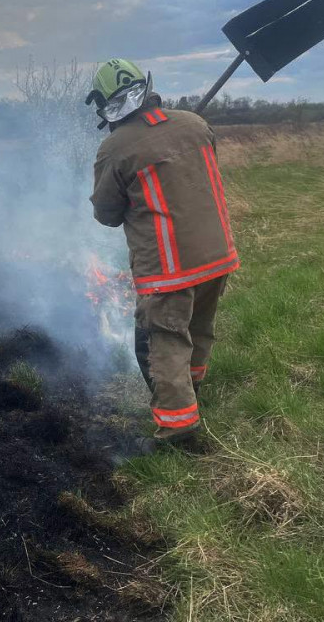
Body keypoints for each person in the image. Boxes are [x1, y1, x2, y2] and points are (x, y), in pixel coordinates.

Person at [87, 58, 239, 447]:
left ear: (106, 106)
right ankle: (192, 392)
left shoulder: (115, 147)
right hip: (217, 252)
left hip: (170, 268)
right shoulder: (195, 125)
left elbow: (106, 214)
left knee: (165, 340)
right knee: (199, 328)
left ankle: (178, 429)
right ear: (148, 87)